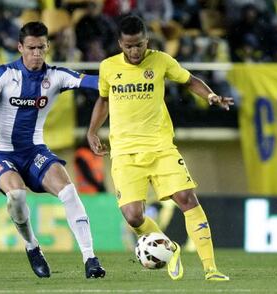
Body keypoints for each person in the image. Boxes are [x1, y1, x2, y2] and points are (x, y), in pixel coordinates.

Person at [87, 15, 232, 282]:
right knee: (132, 217)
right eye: (129, 46)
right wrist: (92, 130)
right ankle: (170, 247)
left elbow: (189, 80)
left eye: (139, 45)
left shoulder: (162, 60)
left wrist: (210, 95)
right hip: (125, 153)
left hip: (160, 147)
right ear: (120, 43)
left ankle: (211, 269)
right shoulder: (108, 67)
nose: (134, 51)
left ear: (147, 41)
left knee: (187, 198)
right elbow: (104, 100)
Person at [0, 21, 106, 279]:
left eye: (41, 48)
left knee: (68, 190)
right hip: (3, 152)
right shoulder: (3, 74)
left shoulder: (56, 76)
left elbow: (94, 82)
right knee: (17, 197)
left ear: (47, 47)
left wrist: (122, 76)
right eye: (31, 48)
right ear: (20, 47)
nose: (36, 53)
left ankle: (90, 259)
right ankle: (32, 246)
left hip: (35, 151)